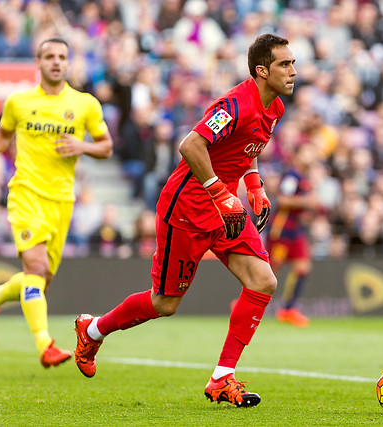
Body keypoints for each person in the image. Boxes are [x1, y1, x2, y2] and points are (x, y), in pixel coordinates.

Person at [74, 33, 296, 408]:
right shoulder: (235, 104)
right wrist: (220, 193)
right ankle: (92, 330)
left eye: (293, 63)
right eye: (284, 65)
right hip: (189, 207)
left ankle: (222, 378)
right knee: (165, 304)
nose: (293, 71)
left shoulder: (274, 107)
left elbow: (247, 147)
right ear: (262, 70)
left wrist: (253, 183)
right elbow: (190, 145)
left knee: (263, 280)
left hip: (224, 206)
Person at [0, 37, 113, 368]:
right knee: (35, 269)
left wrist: (82, 148)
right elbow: (3, 133)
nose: (56, 62)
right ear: (37, 63)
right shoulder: (19, 102)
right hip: (25, 193)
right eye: (49, 56)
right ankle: (45, 345)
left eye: (62, 56)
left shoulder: (85, 105)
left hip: (62, 201)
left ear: (68, 63)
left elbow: (106, 146)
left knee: (40, 279)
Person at [266, 142, 320, 328]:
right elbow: (282, 199)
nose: (311, 156)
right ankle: (243, 302)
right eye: (307, 151)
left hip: (296, 230)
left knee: (303, 268)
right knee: (270, 272)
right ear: (297, 155)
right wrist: (306, 202)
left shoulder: (304, 177)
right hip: (281, 230)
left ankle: (288, 309)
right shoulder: (292, 176)